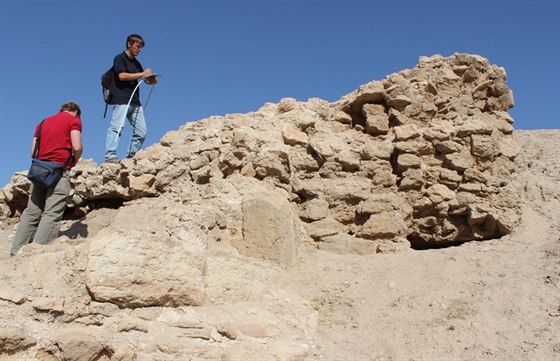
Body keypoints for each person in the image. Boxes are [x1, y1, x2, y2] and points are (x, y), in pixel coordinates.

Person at [10, 102, 83, 256]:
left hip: (38, 171)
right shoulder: (73, 121)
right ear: (76, 112)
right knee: (52, 212)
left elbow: (32, 150)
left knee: (32, 211)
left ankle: (16, 251)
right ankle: (36, 252)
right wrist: (75, 159)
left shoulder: (43, 122)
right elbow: (76, 146)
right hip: (58, 171)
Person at [104, 34, 157, 163]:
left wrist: (150, 80)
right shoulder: (119, 58)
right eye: (137, 46)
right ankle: (110, 156)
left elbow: (142, 79)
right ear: (129, 44)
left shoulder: (137, 63)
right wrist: (143, 74)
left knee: (141, 132)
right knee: (117, 127)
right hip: (122, 99)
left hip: (135, 101)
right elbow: (122, 76)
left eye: (140, 48)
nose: (139, 50)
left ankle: (130, 157)